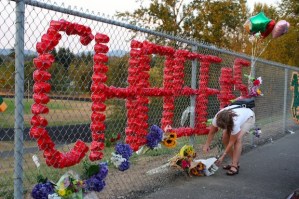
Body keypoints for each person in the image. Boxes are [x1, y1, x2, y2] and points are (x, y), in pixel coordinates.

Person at [203, 104, 255, 175]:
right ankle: (236, 162)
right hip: (234, 118)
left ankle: (234, 165)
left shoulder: (235, 123)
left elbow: (231, 142)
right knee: (224, 139)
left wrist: (223, 156)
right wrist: (207, 144)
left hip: (248, 117)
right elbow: (212, 132)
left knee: (238, 139)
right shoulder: (217, 117)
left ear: (228, 124)